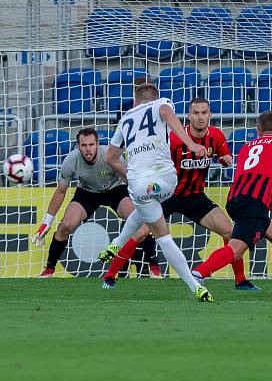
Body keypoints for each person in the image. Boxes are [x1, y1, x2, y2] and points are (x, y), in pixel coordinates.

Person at [101, 97, 259, 290]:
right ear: (188, 116)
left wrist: (226, 160)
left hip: (195, 197)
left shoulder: (216, 136)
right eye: (196, 113)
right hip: (169, 196)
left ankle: (240, 280)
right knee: (141, 232)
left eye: (204, 113)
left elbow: (224, 157)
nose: (200, 117)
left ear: (210, 115)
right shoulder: (175, 138)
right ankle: (110, 275)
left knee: (229, 231)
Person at [96, 83, 214, 302]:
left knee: (155, 223)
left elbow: (110, 158)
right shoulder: (161, 103)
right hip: (166, 180)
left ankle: (116, 243)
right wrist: (191, 144)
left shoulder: (125, 118)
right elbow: (167, 114)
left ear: (135, 100)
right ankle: (196, 285)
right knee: (160, 224)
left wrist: (129, 177)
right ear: (154, 97)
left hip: (138, 184)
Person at [191, 111, 272, 301]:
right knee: (236, 248)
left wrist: (270, 205)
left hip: (236, 200)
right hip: (253, 204)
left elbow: (249, 180)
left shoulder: (246, 147)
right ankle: (197, 274)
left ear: (258, 130)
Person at [33, 127, 159, 279]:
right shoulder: (71, 161)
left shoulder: (110, 156)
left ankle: (154, 266)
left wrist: (146, 201)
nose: (88, 149)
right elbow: (60, 191)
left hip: (116, 190)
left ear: (98, 144)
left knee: (139, 220)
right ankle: (49, 269)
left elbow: (130, 181)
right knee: (65, 225)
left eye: (91, 145)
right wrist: (47, 222)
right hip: (87, 193)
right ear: (78, 147)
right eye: (84, 145)